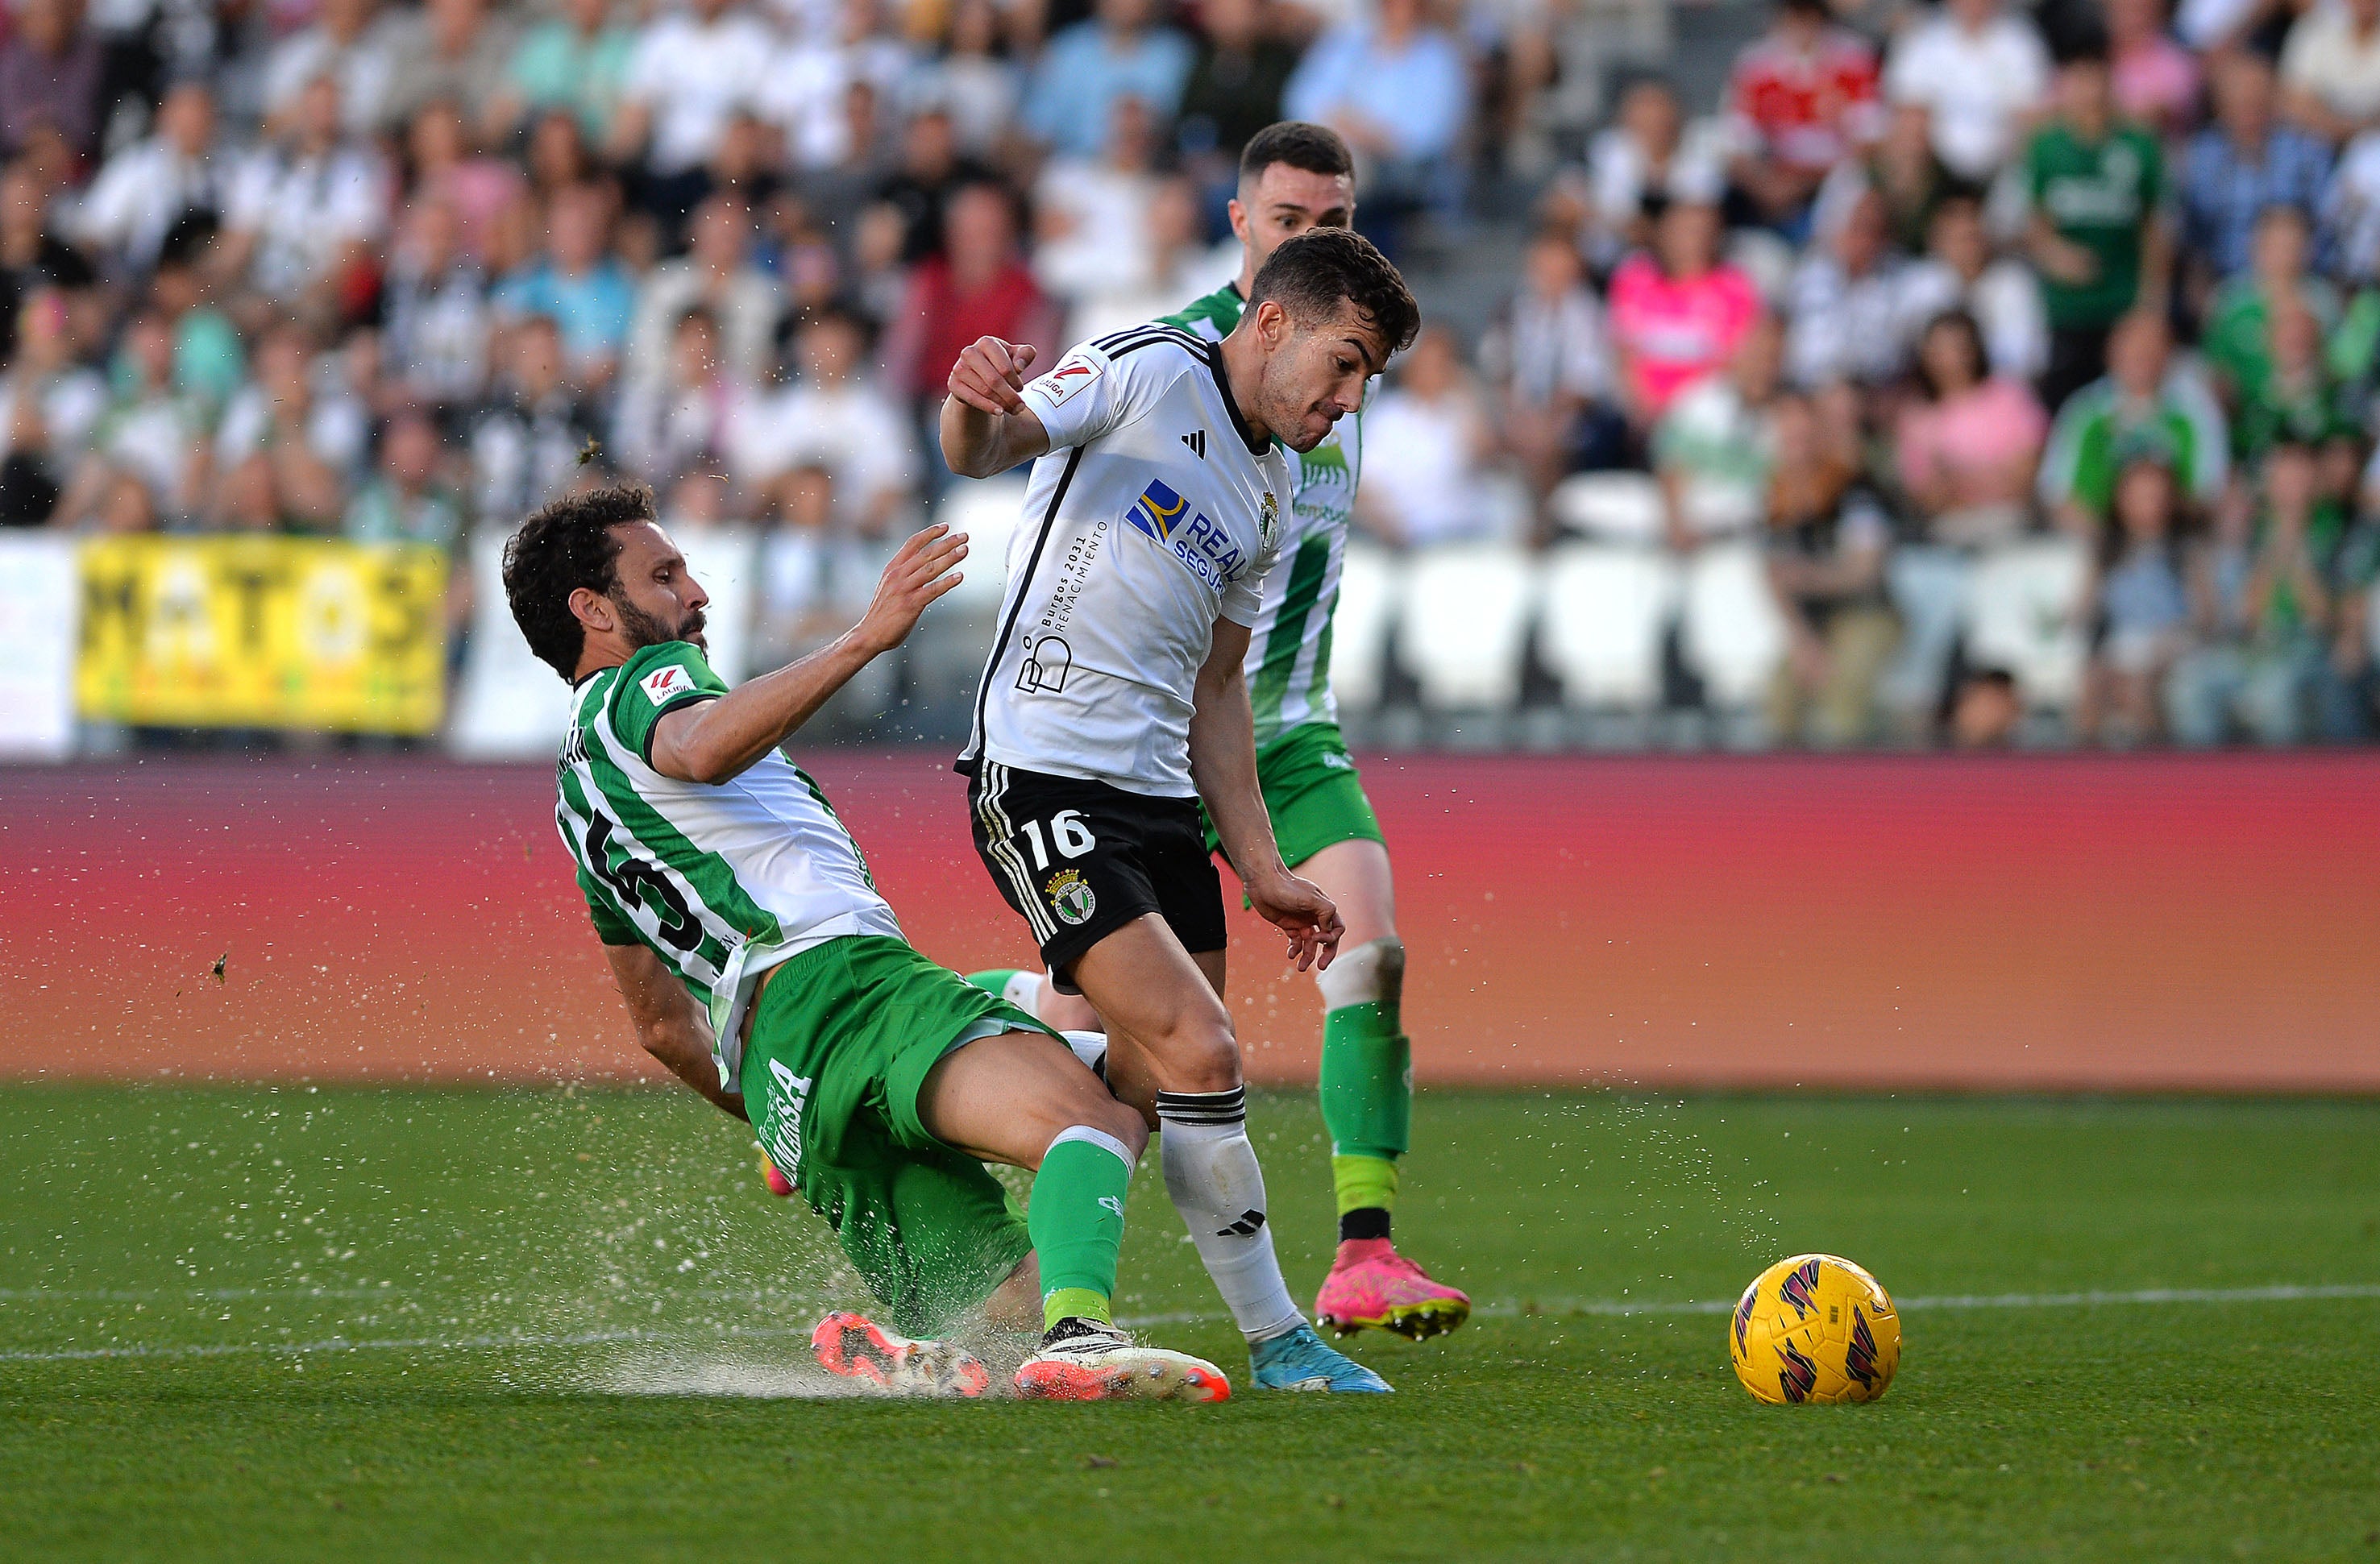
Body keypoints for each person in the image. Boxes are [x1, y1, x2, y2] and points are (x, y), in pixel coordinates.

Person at [502, 481, 1232, 1402]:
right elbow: (701, 749)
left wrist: (777, 1115)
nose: (697, 594)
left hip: (780, 1073)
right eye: (665, 573)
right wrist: (866, 636)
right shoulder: (642, 686)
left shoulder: (581, 810)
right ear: (591, 610)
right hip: (842, 979)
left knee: (1000, 1311)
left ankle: (910, 1350)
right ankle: (1082, 1339)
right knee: (1103, 1118)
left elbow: (659, 1028)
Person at [970, 123, 1472, 1343]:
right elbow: (999, 444)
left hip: (1267, 732)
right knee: (1163, 1047)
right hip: (1089, 746)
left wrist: (1259, 868)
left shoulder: (1322, 399)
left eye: (1338, 217)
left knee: (1324, 981)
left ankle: (1357, 1252)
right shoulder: (1179, 356)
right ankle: (938, 1061)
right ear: (1245, 228)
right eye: (1294, 220)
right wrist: (972, 410)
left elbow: (1225, 671)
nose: (1319, 238)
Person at [2025, 32, 2170, 416]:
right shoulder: (2046, 147)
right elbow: (2033, 223)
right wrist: (2054, 253)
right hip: (2066, 306)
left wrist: (2150, 304)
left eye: (2097, 80)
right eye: (2079, 81)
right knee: (2062, 404)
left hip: (2122, 301)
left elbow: (2154, 230)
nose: (2089, 92)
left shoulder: (2138, 146)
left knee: (2125, 405)